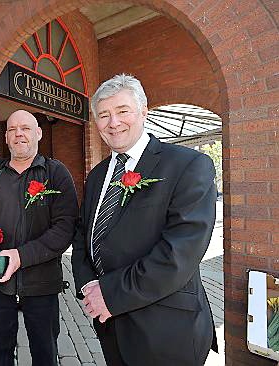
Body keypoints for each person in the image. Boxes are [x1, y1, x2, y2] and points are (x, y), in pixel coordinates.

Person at [71, 74, 218, 366]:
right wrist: (87, 284)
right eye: (104, 115)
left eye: (122, 111)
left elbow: (179, 254)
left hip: (165, 328)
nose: (114, 122)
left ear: (143, 112)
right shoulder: (97, 174)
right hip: (109, 322)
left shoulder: (188, 165)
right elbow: (82, 236)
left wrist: (110, 294)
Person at [0, 110, 78, 366]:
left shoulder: (55, 173)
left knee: (44, 353)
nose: (19, 134)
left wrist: (21, 256)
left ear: (38, 133)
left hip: (41, 283)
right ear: (6, 137)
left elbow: (65, 229)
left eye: (25, 128)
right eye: (13, 129)